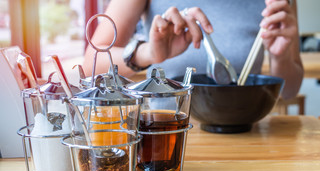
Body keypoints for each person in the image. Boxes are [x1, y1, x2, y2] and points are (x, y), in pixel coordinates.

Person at [83, 0, 304, 99]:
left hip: (246, 135)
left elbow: (289, 91)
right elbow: (93, 61)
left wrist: (280, 57)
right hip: (164, 131)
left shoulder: (279, 2)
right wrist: (149, 53)